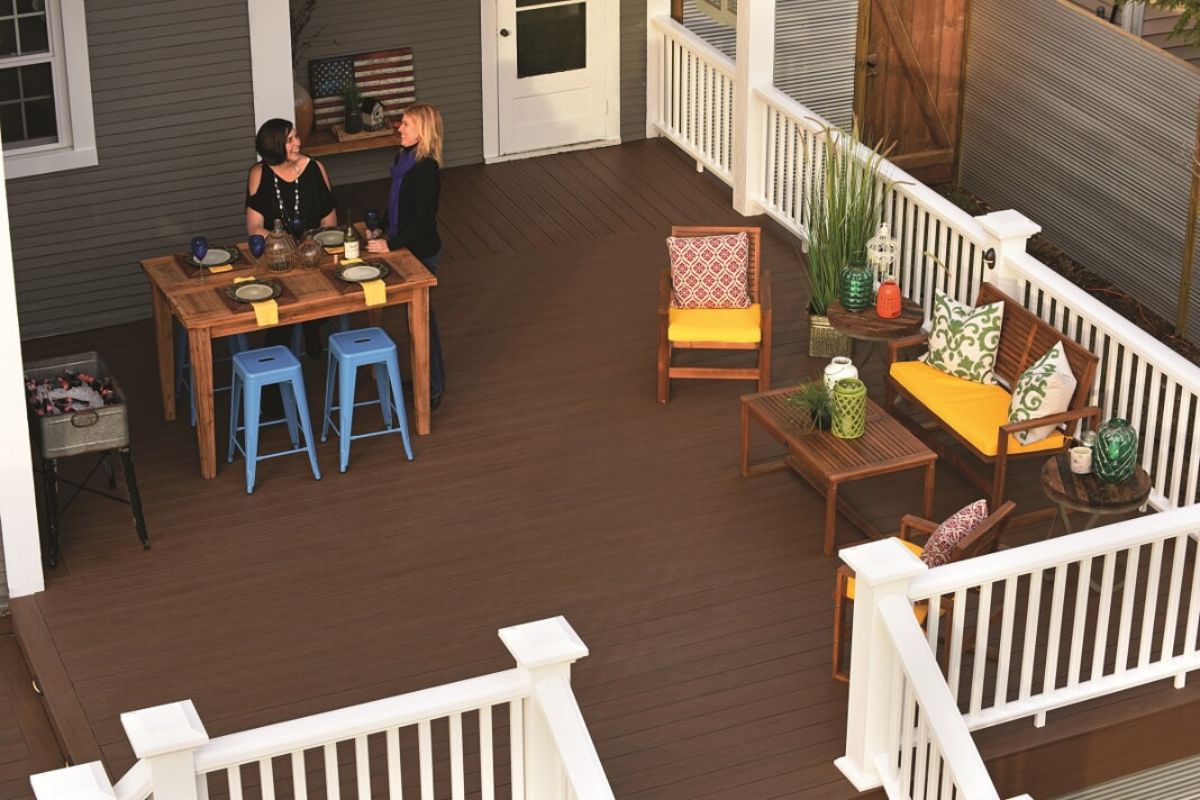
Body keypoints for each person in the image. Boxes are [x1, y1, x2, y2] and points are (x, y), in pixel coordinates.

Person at [366, 103, 446, 410]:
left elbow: (425, 220)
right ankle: (425, 376)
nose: (400, 128)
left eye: (407, 125)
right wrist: (381, 229)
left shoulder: (425, 169)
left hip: (421, 252)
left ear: (423, 132)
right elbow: (396, 204)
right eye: (402, 124)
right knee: (414, 319)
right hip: (403, 246)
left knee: (423, 320)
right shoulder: (403, 159)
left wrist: (392, 243)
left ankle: (434, 385)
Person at [245, 118, 337, 356]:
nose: (298, 143)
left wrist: (307, 249)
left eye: (296, 137)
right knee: (281, 306)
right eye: (290, 140)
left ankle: (311, 327)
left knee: (319, 291)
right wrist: (287, 247)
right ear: (274, 145)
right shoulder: (259, 173)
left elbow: (330, 225)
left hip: (313, 256)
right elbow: (254, 227)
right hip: (277, 258)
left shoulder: (316, 168)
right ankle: (274, 376)